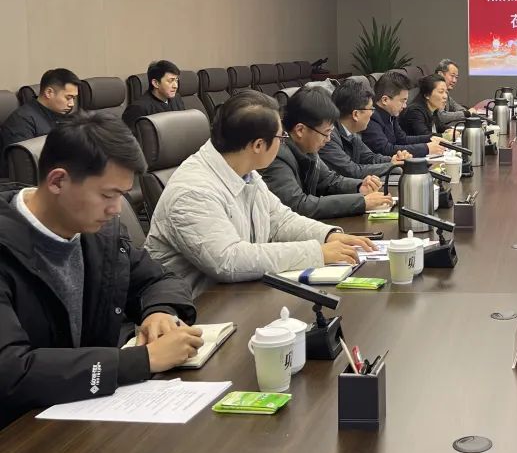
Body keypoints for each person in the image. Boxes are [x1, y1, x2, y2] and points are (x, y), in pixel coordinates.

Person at [0, 113, 201, 429]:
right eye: (108, 195)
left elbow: (160, 279)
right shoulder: (7, 248)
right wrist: (142, 360)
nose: (116, 209)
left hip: (85, 413)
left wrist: (159, 312)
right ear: (57, 181)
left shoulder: (99, 235)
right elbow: (11, 371)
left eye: (122, 195)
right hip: (20, 430)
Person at [145, 91, 374, 297]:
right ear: (257, 145)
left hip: (240, 295)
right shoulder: (193, 191)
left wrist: (327, 235)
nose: (283, 144)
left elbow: (280, 220)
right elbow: (229, 260)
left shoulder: (245, 171)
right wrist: (316, 252)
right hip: (196, 311)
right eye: (281, 138)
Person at [261, 88, 393, 220]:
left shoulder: (307, 147)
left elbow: (329, 180)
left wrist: (359, 186)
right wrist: (361, 202)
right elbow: (299, 205)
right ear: (300, 130)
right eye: (326, 133)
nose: (328, 139)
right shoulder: (276, 156)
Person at [321, 82, 409, 180]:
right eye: (371, 109)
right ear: (356, 114)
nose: (372, 113)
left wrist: (393, 159)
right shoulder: (328, 136)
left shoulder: (350, 132)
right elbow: (352, 171)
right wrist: (392, 166)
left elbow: (369, 157)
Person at [362, 72, 446, 159]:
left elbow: (402, 139)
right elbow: (385, 149)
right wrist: (426, 148)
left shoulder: (391, 114)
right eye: (402, 101)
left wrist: (431, 138)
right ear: (385, 100)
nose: (405, 106)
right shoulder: (371, 117)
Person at [0, 68, 80, 154]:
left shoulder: (65, 115)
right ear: (49, 93)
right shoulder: (21, 121)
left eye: (73, 98)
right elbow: (21, 159)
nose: (72, 104)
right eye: (68, 98)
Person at [122, 60, 186, 129]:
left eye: (176, 80)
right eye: (171, 81)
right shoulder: (138, 108)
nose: (175, 86)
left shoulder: (177, 99)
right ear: (156, 83)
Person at [435, 59, 467, 125]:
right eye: (452, 76)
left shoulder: (446, 92)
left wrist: (467, 112)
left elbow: (457, 107)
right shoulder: (433, 92)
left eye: (456, 77)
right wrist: (467, 113)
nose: (454, 81)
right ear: (440, 74)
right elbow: (442, 117)